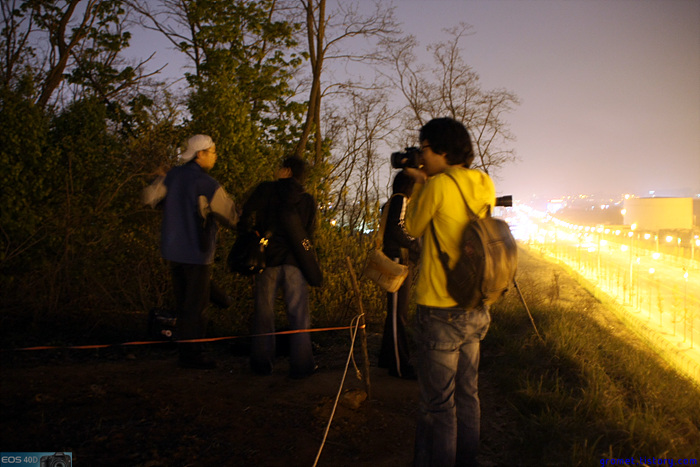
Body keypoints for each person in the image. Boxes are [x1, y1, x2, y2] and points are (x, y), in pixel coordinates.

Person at [403, 117, 496, 467]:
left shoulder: (437, 186)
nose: (421, 156)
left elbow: (412, 226)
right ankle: (466, 460)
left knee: (437, 404)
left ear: (441, 150)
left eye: (424, 148)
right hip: (475, 303)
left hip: (440, 307)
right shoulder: (484, 182)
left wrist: (421, 184)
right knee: (467, 393)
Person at [143, 134, 238, 369]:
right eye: (213, 152)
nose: (215, 156)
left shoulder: (173, 176)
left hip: (173, 252)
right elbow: (231, 215)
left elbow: (149, 199)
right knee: (196, 307)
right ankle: (193, 354)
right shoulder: (206, 183)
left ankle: (188, 349)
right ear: (201, 154)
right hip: (197, 251)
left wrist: (161, 180)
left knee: (185, 303)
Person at [239, 156, 318, 379]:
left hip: (268, 261)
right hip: (295, 263)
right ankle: (302, 365)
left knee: (264, 313)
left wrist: (253, 235)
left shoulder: (266, 190)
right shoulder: (307, 200)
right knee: (299, 314)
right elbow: (309, 234)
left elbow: (245, 216)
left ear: (286, 171)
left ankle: (261, 363)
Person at [378, 171, 421, 379]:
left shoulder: (391, 202)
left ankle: (386, 358)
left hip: (395, 260)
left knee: (394, 313)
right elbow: (396, 229)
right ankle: (399, 365)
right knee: (398, 315)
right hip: (398, 262)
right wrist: (415, 245)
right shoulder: (401, 200)